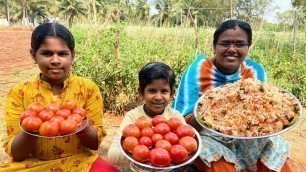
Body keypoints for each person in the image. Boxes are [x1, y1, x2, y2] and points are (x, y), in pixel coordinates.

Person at [172, 19, 292, 172]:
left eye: (240, 44)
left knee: (276, 152)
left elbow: (267, 116)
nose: (232, 49)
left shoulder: (255, 72)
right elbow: (183, 124)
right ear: (214, 46)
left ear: (248, 47)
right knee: (220, 165)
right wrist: (204, 108)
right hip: (207, 136)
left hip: (249, 138)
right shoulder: (198, 70)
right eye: (225, 43)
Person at [1, 22, 118, 172]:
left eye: (62, 53)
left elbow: (94, 144)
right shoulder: (20, 92)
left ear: (73, 55)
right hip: (34, 164)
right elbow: (17, 154)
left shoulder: (88, 89)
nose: (55, 60)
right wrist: (32, 128)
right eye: (47, 53)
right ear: (33, 55)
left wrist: (80, 126)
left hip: (79, 161)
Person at [107, 62, 187, 171]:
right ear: (141, 92)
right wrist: (141, 154)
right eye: (152, 91)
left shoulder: (175, 117)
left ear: (172, 93)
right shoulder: (133, 117)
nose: (158, 97)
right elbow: (112, 155)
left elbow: (186, 147)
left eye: (164, 91)